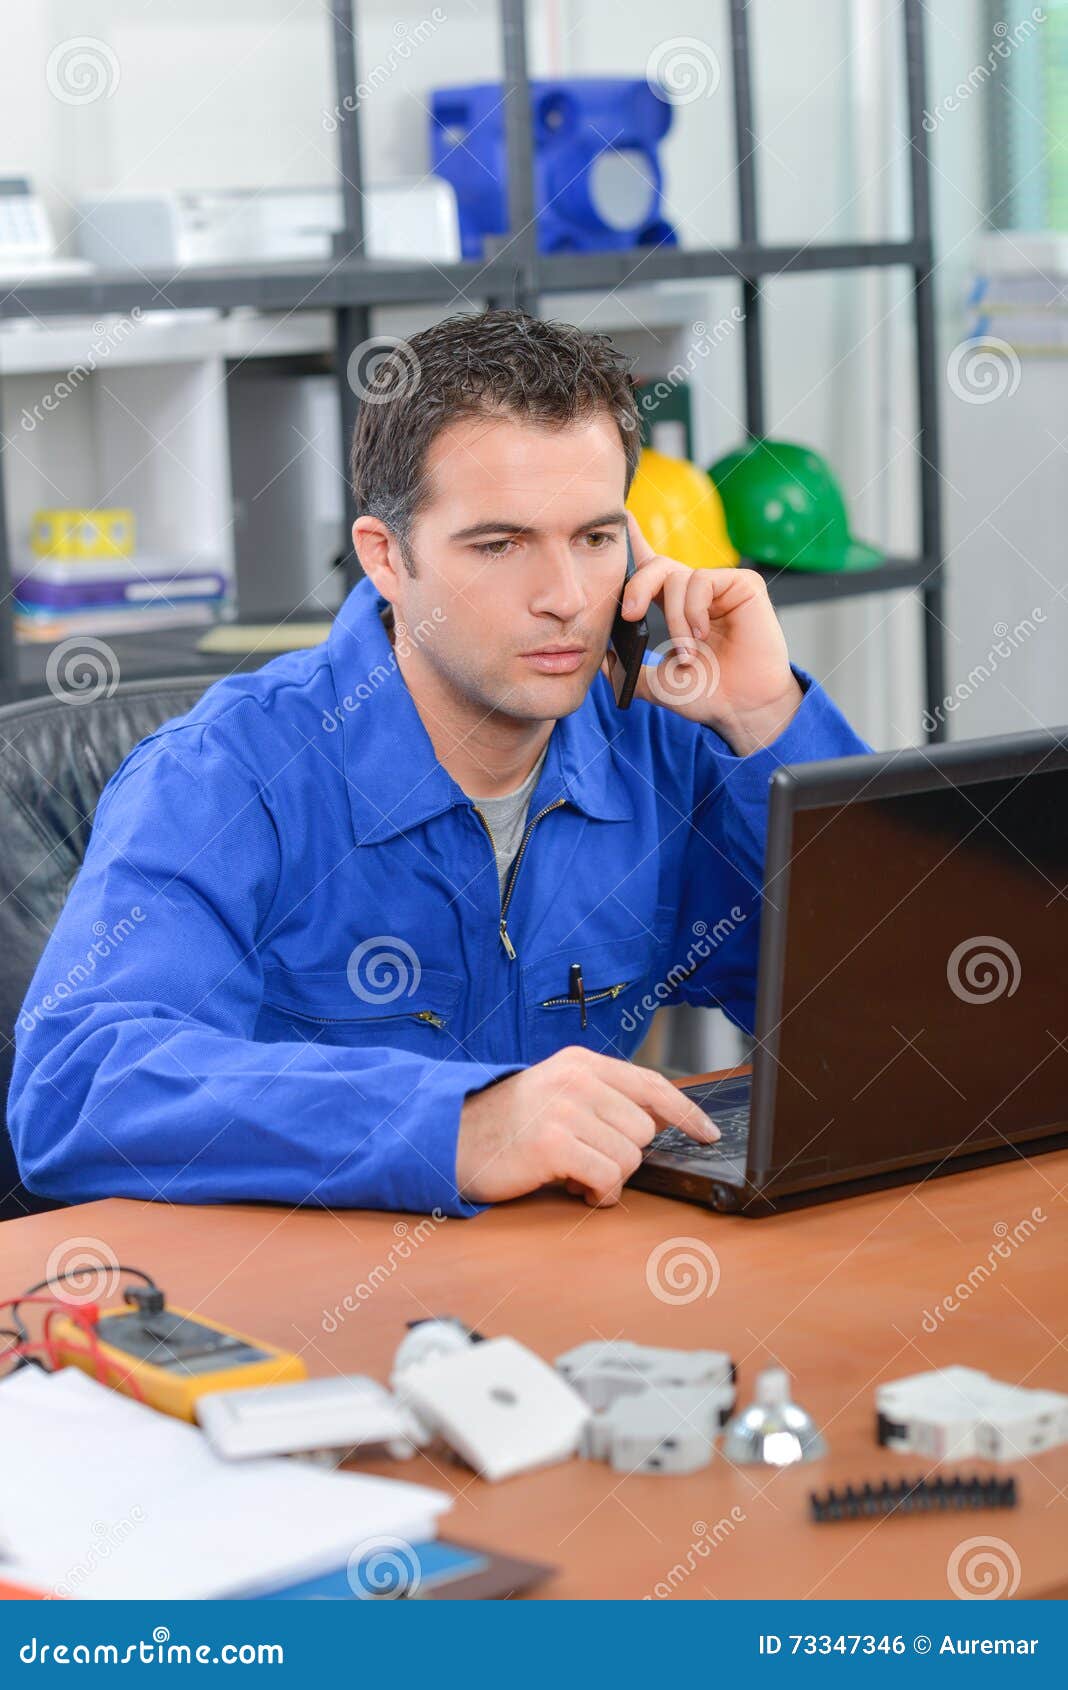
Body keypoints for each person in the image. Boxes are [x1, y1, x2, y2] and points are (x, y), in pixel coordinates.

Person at [9, 308, 872, 1217]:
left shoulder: (662, 745)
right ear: (386, 557)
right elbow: (76, 1090)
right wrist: (457, 1124)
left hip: (567, 1294)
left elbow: (896, 1011)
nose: (568, 600)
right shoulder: (226, 775)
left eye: (594, 537)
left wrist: (766, 717)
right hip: (307, 1321)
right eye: (500, 545)